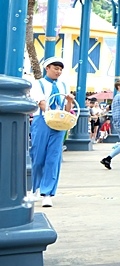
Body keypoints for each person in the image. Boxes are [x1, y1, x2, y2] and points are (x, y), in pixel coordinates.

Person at [28, 57, 75, 208]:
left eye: (60, 69)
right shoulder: (38, 84)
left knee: (53, 158)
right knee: (38, 156)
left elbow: (67, 110)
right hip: (42, 121)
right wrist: (50, 114)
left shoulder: (63, 85)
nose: (58, 71)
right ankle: (34, 188)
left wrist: (69, 101)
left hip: (59, 124)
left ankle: (47, 193)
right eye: (55, 68)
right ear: (47, 68)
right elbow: (41, 103)